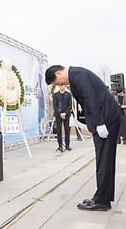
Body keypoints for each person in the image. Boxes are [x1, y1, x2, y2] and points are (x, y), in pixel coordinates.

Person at [46, 65, 121, 211]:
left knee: (104, 160)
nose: (59, 85)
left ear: (58, 73)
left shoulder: (77, 75)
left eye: (57, 82)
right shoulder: (76, 75)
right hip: (106, 118)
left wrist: (99, 123)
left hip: (106, 119)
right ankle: (102, 197)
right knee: (105, 160)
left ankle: (102, 201)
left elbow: (90, 98)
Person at [52, 84, 73, 152]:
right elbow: (55, 106)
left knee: (67, 130)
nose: (62, 87)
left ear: (65, 86)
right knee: (58, 130)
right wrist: (60, 113)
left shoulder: (68, 95)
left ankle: (67, 145)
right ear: (58, 86)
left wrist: (65, 113)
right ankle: (60, 145)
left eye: (63, 85)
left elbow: (70, 105)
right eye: (60, 85)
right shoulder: (55, 95)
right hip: (58, 115)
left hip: (66, 115)